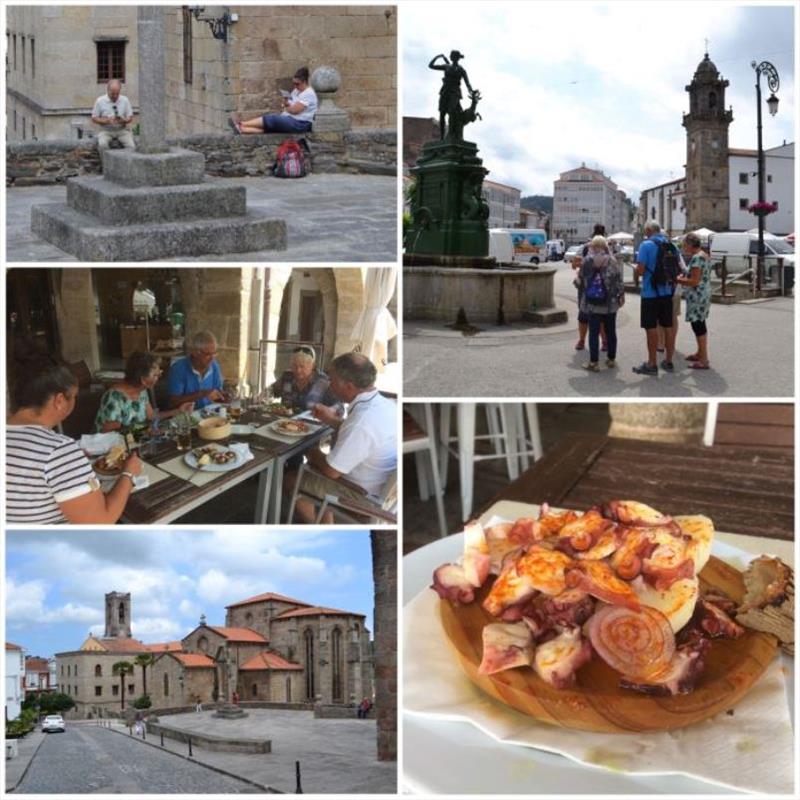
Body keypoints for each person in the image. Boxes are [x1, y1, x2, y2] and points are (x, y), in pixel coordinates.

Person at [6, 341, 142, 524]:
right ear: (60, 400)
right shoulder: (57, 451)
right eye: (74, 396)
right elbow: (100, 523)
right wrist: (129, 473)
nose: (75, 401)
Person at [287, 353, 397, 523]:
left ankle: (317, 527)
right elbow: (359, 436)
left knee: (291, 479)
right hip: (381, 488)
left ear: (349, 386)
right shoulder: (385, 404)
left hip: (362, 495)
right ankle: (325, 521)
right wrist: (331, 420)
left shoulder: (362, 420)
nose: (329, 384)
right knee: (315, 466)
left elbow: (331, 471)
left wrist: (311, 452)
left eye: (332, 380)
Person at [94, 352, 193, 433]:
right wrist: (145, 432)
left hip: (137, 441)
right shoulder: (115, 398)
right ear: (143, 380)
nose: (159, 377)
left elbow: (151, 416)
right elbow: (110, 434)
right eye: (156, 375)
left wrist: (178, 411)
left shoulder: (141, 390)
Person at [632, 220, 678, 376]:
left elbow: (640, 270)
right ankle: (669, 361)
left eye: (645, 231)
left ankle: (652, 364)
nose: (645, 233)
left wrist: (636, 269)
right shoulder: (671, 246)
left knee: (651, 328)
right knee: (668, 326)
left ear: (649, 230)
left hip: (650, 293)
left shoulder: (645, 245)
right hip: (667, 293)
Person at [578, 235, 625, 372]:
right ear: (605, 246)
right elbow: (619, 280)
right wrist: (621, 295)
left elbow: (580, 280)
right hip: (610, 303)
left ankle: (594, 363)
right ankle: (611, 359)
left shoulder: (587, 261)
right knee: (611, 331)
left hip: (593, 302)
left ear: (593, 246)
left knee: (593, 332)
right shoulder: (612, 260)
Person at [229, 67, 317, 134]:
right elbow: (289, 104)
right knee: (271, 127)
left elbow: (295, 110)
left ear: (305, 82)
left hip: (300, 123)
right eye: (294, 83)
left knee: (273, 119)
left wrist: (286, 106)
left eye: (297, 84)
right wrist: (286, 103)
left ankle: (242, 124)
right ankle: (242, 129)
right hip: (290, 118)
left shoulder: (308, 93)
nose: (295, 86)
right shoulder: (296, 90)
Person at [676, 231, 712, 369]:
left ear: (691, 244)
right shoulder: (704, 255)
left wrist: (678, 279)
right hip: (703, 294)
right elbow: (698, 276)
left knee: (698, 326)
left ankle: (704, 359)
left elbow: (694, 281)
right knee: (700, 324)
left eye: (685, 245)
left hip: (697, 296)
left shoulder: (697, 258)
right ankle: (700, 353)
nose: (684, 248)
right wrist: (685, 273)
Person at [168, 331, 229, 410]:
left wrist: (224, 397)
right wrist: (202, 393)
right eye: (207, 354)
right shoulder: (178, 369)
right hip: (186, 417)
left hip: (209, 415)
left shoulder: (214, 366)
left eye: (214, 354)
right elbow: (174, 401)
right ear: (195, 353)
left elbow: (217, 392)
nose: (212, 358)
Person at [271, 346, 341, 413]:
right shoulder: (287, 376)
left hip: (312, 423)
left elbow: (339, 406)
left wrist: (329, 410)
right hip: (283, 422)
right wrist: (263, 396)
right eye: (294, 365)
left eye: (302, 366)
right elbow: (272, 391)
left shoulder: (324, 382)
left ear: (313, 366)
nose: (298, 370)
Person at [572, 224, 608, 351]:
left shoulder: (586, 247)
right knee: (603, 316)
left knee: (583, 315)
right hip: (604, 286)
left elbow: (574, 264)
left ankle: (582, 341)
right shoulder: (608, 248)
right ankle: (604, 342)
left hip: (585, 287)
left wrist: (585, 263)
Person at [428, 50, 476, 140]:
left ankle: (452, 134)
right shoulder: (446, 66)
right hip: (445, 91)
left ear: (456, 58)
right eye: (451, 56)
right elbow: (430, 66)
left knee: (451, 111)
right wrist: (437, 57)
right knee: (442, 114)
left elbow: (467, 83)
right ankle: (442, 138)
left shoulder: (461, 70)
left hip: (455, 92)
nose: (451, 57)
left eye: (452, 55)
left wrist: (471, 91)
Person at [92, 79, 135, 151]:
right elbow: (94, 118)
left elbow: (130, 117)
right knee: (102, 145)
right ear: (108, 90)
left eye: (117, 93)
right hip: (106, 131)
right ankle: (106, 161)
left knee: (132, 146)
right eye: (112, 94)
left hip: (122, 130)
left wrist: (123, 120)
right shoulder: (100, 101)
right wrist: (106, 121)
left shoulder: (125, 100)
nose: (115, 96)